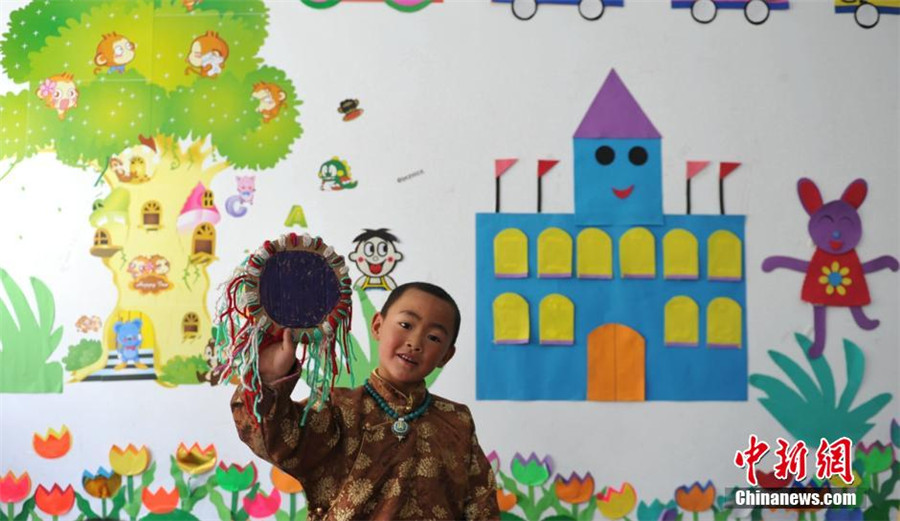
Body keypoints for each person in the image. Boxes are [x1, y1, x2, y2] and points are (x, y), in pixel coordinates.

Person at [231, 282, 500, 521]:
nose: (415, 342)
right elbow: (278, 440)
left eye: (434, 338)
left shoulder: (457, 420)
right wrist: (268, 378)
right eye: (406, 325)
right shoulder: (337, 407)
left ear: (446, 356)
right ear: (378, 326)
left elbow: (480, 506)